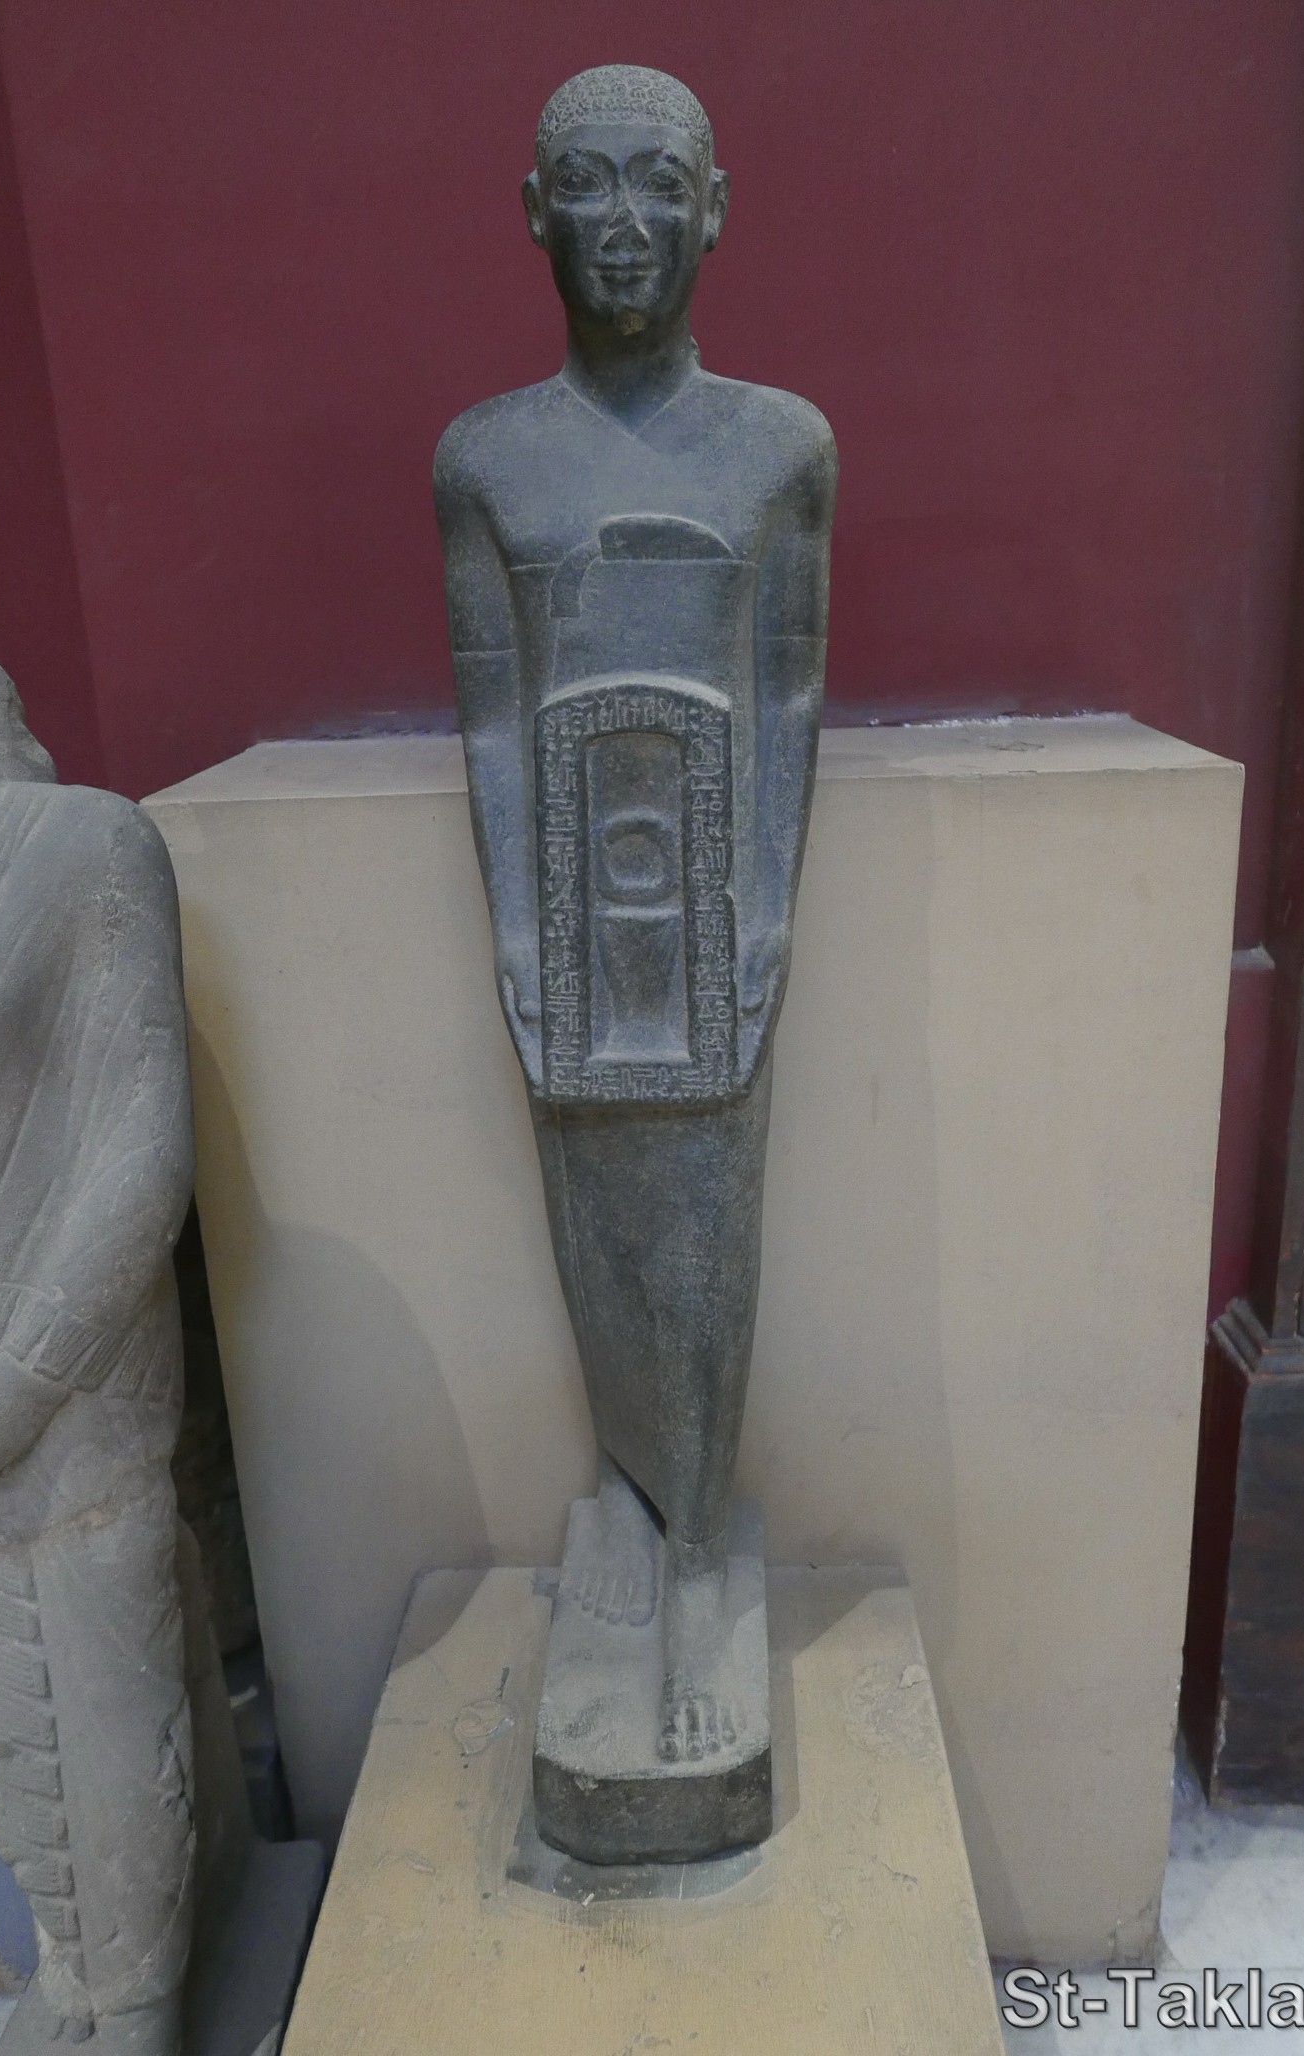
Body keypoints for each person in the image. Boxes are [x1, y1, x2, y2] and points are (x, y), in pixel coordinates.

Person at [435, 66, 836, 1773]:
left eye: (659, 187)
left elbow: (792, 687)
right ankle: (633, 1496)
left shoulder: (781, 448)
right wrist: (520, 935)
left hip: (714, 913)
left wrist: (767, 902)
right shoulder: (485, 460)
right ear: (533, 214)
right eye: (587, 187)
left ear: (715, 210)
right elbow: (490, 714)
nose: (623, 225)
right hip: (573, 920)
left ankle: (694, 1546)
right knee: (596, 1223)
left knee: (709, 1234)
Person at [0, 656, 247, 2053]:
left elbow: (139, 1138)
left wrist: (31, 1372)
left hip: (74, 1372)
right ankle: (85, 1970)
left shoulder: (82, 850)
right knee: (25, 1715)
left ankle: (133, 2002)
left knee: (105, 1688)